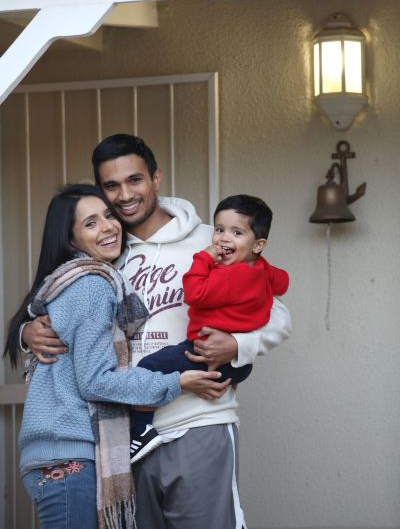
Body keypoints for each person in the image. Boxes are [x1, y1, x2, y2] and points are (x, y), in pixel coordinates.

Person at [22, 134, 292, 529]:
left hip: (198, 418)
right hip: (122, 438)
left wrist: (237, 344)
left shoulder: (212, 240)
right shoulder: (102, 251)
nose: (125, 195)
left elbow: (277, 315)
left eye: (135, 180)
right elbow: (57, 308)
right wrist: (28, 331)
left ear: (156, 178)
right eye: (111, 186)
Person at [5, 183, 228, 529]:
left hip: (56, 456)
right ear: (70, 239)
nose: (108, 227)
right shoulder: (93, 284)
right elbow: (96, 381)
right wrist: (176, 382)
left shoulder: (66, 281)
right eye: (90, 223)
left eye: (108, 216)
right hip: (69, 456)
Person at [129, 193, 289, 464]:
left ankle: (142, 427)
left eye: (237, 232)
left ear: (259, 244)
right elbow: (282, 282)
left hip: (201, 353)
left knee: (147, 367)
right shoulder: (258, 268)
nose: (224, 238)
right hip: (236, 365)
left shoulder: (231, 275)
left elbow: (195, 292)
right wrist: (262, 268)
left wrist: (203, 259)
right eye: (219, 230)